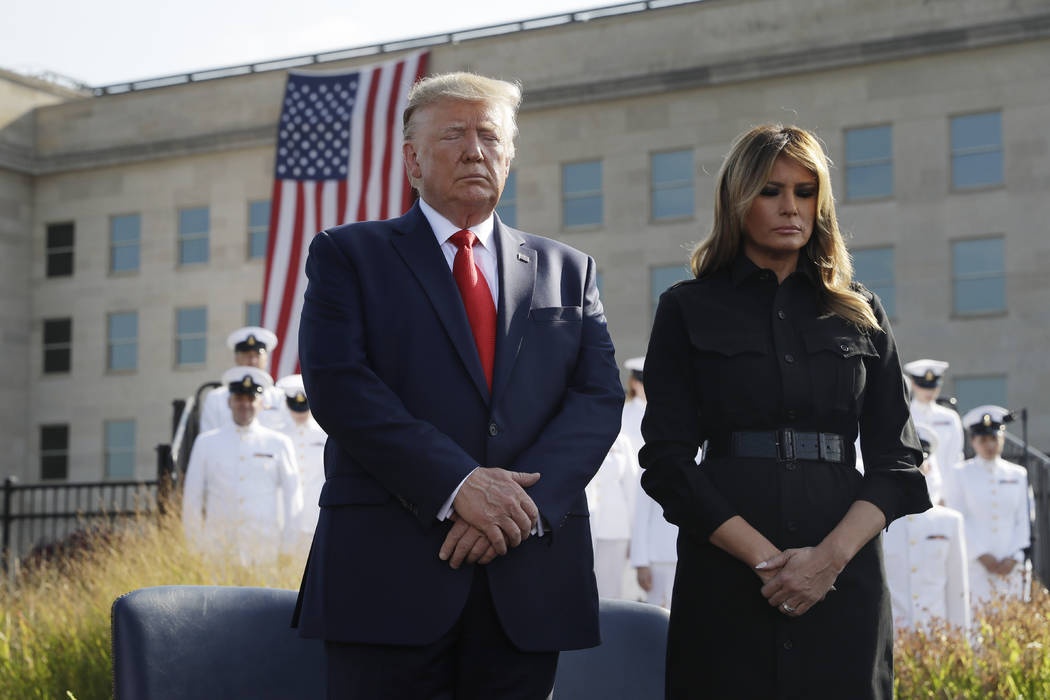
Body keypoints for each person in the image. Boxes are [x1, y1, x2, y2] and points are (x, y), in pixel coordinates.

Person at [292, 71, 623, 699]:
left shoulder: (567, 270)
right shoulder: (348, 255)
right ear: (413, 161)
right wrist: (457, 484)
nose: (476, 150)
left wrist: (516, 510)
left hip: (527, 582)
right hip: (388, 579)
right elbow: (340, 385)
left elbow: (598, 399)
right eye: (455, 134)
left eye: (490, 136)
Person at [638, 124, 931, 699]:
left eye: (805, 191)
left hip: (844, 576)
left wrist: (826, 562)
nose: (790, 207)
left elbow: (899, 461)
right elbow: (668, 462)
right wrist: (769, 563)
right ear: (738, 199)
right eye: (771, 191)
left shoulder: (861, 312)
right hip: (727, 574)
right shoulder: (686, 308)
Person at [181, 366, 304, 568]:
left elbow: (293, 497)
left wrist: (288, 547)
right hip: (218, 552)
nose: (245, 404)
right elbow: (192, 498)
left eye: (251, 399)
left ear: (261, 404)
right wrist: (196, 548)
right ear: (229, 402)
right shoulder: (206, 442)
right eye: (239, 398)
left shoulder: (279, 443)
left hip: (264, 551)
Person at [883, 423, 970, 630]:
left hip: (936, 641)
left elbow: (957, 591)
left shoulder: (949, 521)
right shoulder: (876, 521)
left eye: (919, 463)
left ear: (929, 466)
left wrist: (960, 648)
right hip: (893, 639)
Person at [943, 405, 1032, 606]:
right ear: (973, 442)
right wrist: (980, 554)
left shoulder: (1018, 475)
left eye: (994, 438)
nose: (989, 444)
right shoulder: (960, 473)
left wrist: (1015, 556)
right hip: (975, 566)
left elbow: (1023, 519)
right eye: (983, 440)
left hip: (1012, 565)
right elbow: (958, 517)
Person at [623, 355, 679, 608]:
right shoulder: (626, 417)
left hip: (681, 547)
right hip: (655, 546)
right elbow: (642, 506)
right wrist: (640, 559)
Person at [199, 326, 287, 433]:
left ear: (266, 358)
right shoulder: (216, 398)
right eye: (247, 355)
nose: (253, 361)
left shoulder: (280, 397)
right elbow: (209, 439)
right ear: (236, 358)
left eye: (257, 355)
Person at [275, 373, 327, 555]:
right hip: (283, 521)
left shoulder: (325, 435)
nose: (299, 413)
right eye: (295, 407)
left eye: (303, 407)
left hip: (315, 517)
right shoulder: (277, 436)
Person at [585, 432, 639, 599]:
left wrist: (634, 536)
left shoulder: (622, 440)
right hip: (585, 522)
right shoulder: (580, 433)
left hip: (615, 526)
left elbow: (631, 487)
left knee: (610, 591)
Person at [904, 358, 964, 500]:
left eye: (933, 386)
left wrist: (947, 496)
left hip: (943, 495)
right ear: (913, 384)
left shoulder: (950, 417)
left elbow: (955, 460)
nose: (928, 391)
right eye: (923, 386)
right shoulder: (904, 415)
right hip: (910, 492)